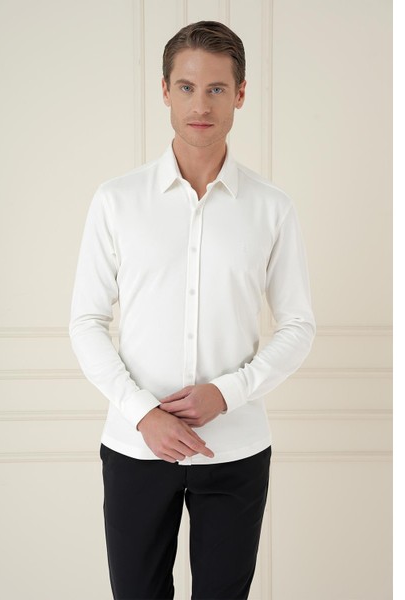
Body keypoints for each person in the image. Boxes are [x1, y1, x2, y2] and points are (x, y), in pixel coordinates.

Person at [69, 20, 315, 600]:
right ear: (164, 91)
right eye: (186, 87)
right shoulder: (117, 201)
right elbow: (86, 321)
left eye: (216, 89)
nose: (200, 105)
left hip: (235, 450)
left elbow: (298, 325)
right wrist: (143, 414)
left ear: (241, 93)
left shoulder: (271, 208)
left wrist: (227, 393)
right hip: (136, 447)